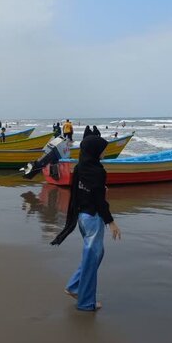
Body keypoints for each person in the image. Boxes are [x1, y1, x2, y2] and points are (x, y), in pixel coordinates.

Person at [51, 132, 121, 312]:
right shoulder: (97, 171)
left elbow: (77, 192)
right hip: (92, 218)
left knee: (96, 254)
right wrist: (111, 222)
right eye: (103, 150)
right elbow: (99, 200)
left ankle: (75, 286)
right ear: (95, 151)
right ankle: (85, 303)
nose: (104, 152)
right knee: (92, 258)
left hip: (82, 217)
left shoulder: (81, 168)